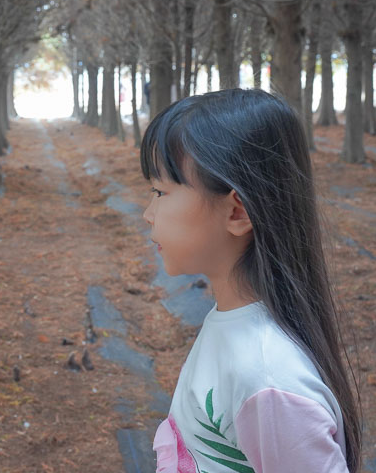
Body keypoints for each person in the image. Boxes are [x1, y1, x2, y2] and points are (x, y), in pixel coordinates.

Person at [142, 89, 361, 473]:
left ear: (237, 212)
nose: (148, 213)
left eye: (161, 192)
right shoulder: (234, 329)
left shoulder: (266, 378)